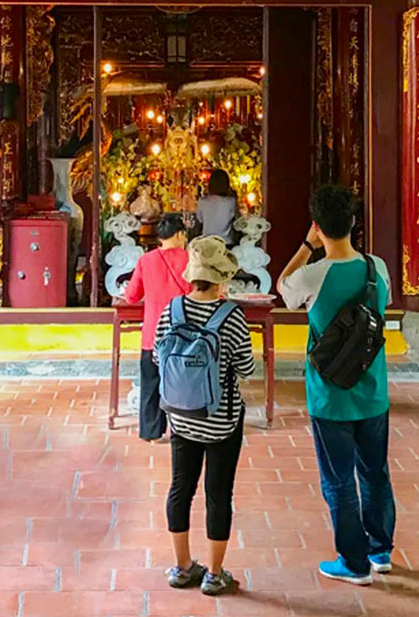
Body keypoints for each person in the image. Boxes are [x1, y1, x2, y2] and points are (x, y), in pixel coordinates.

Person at [277, 185, 395, 586]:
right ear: (353, 222)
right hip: (374, 390)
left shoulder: (313, 274)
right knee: (375, 472)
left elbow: (283, 285)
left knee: (339, 479)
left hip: (330, 396)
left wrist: (306, 246)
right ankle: (380, 550)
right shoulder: (376, 268)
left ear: (317, 227)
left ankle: (353, 561)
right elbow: (385, 303)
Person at [154, 236, 255, 596]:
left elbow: (158, 358)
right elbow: (246, 367)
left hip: (180, 418)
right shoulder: (232, 317)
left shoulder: (172, 310)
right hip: (221, 421)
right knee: (218, 493)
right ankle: (214, 573)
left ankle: (182, 567)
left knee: (180, 488)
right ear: (221, 278)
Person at [123, 213, 190, 442]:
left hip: (153, 336)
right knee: (184, 385)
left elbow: (131, 296)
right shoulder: (191, 259)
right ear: (180, 235)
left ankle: (151, 434)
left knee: (151, 385)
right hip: (185, 336)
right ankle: (183, 430)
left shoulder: (146, 261)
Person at [197, 169, 238, 243]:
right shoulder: (231, 202)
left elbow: (200, 219)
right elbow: (234, 217)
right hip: (225, 241)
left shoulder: (202, 201)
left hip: (207, 241)